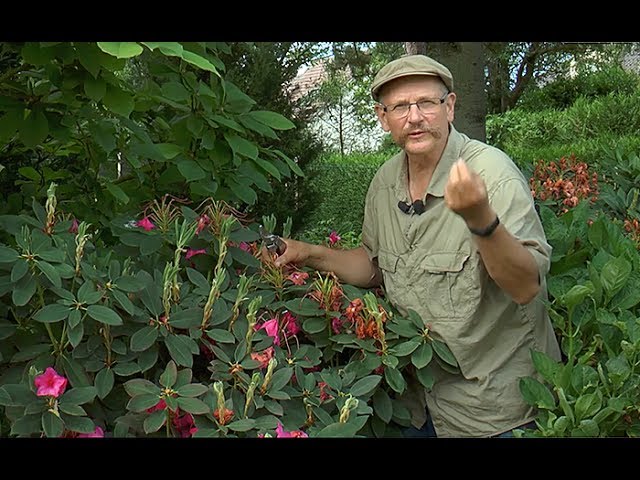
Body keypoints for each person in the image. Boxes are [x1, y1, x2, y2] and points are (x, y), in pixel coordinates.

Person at [270, 54, 561, 438]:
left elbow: (525, 287)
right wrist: (306, 253)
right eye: (401, 107)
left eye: (426, 102)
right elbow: (373, 266)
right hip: (417, 405)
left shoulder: (492, 174)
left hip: (495, 412)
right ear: (382, 117)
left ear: (450, 107)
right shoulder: (385, 181)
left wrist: (480, 220)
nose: (415, 117)